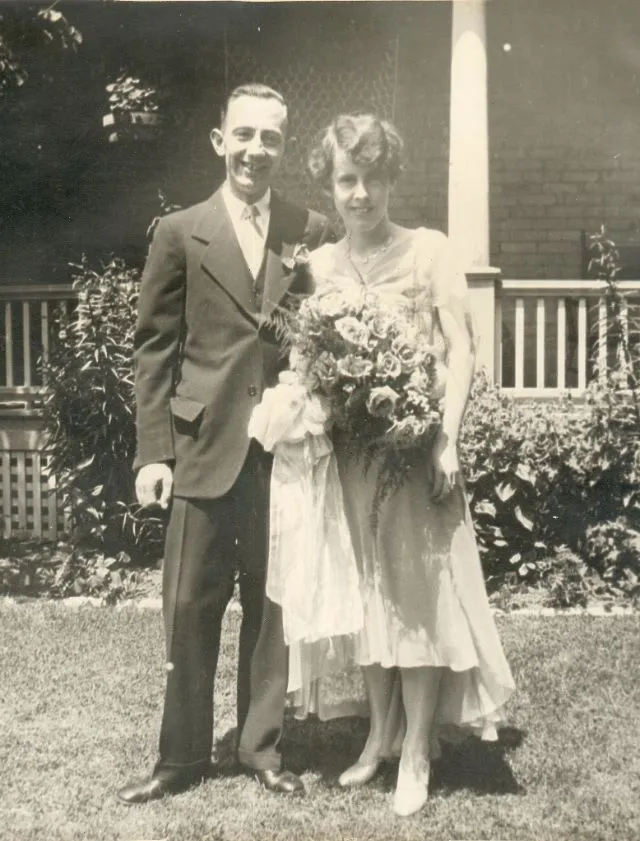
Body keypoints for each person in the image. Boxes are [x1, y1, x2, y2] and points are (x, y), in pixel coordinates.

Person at [277, 113, 516, 817]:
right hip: (351, 458)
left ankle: (417, 749)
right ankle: (379, 734)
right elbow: (305, 356)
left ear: (391, 181)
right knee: (365, 595)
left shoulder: (428, 250)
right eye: (347, 180)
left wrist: (448, 437)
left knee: (414, 598)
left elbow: (462, 349)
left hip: (413, 455)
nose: (360, 195)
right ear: (330, 184)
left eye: (373, 179)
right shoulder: (319, 266)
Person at [117, 83, 332, 805]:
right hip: (202, 445)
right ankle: (179, 757)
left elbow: (325, 332)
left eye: (269, 138)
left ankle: (260, 746)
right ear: (220, 141)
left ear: (283, 146)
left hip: (280, 449)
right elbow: (154, 348)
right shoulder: (180, 232)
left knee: (271, 605)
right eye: (243, 135)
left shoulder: (309, 229)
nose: (255, 150)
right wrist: (154, 451)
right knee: (188, 604)